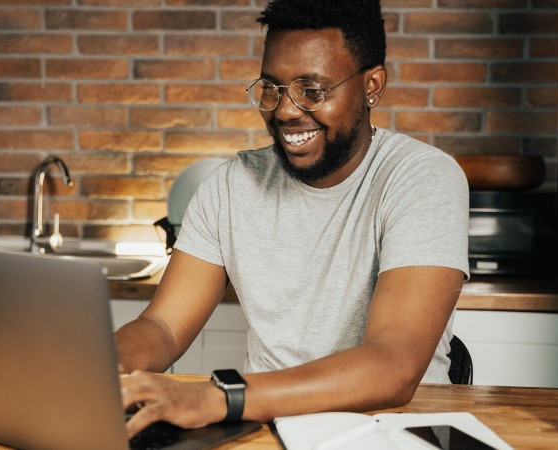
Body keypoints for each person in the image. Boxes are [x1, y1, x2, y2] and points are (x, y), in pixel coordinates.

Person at [115, 0, 469, 437]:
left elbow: (392, 367)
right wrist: (98, 366)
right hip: (264, 428)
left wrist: (217, 397)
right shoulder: (230, 185)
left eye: (312, 90)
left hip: (393, 432)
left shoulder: (422, 177)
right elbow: (163, 327)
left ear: (372, 86)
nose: (284, 111)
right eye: (272, 88)